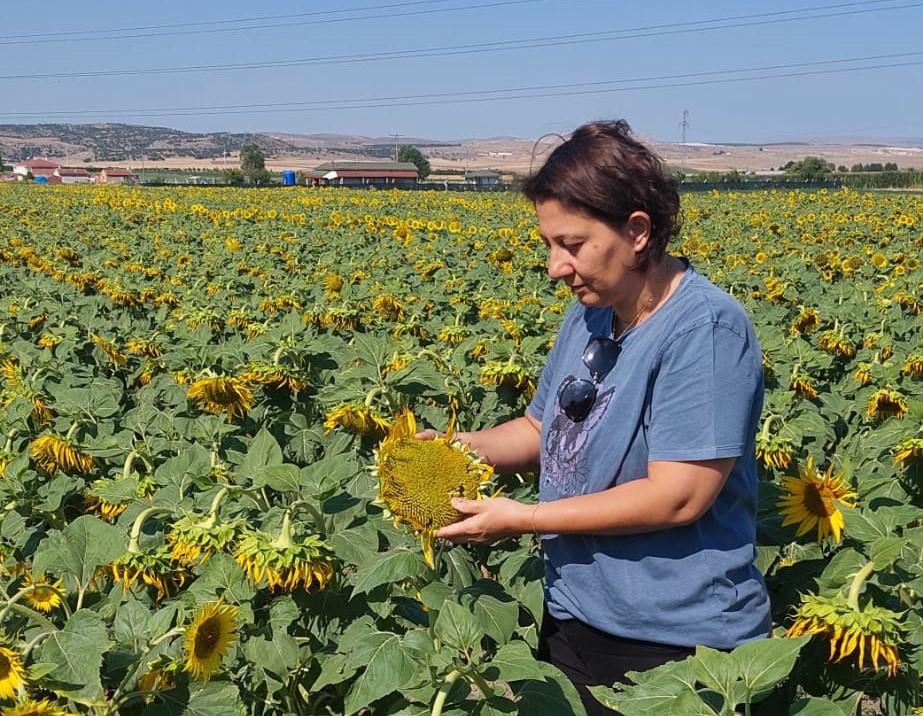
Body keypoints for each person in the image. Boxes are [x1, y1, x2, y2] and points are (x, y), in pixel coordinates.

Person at [428, 119, 772, 714]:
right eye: (548, 245)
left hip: (673, 644)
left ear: (637, 231)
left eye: (573, 244)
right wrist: (450, 449)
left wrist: (526, 519)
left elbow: (678, 497)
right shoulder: (590, 314)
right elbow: (540, 431)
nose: (556, 266)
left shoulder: (704, 329)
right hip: (574, 613)